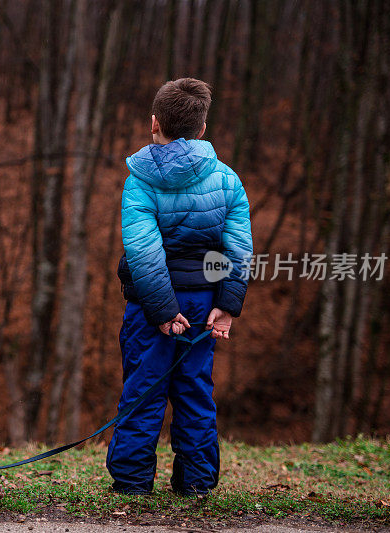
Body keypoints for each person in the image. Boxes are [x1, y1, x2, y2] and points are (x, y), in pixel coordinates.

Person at [106, 78, 253, 496]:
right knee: (195, 392)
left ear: (155, 123)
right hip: (204, 303)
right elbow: (239, 248)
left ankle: (133, 484)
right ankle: (197, 484)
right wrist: (227, 304)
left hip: (151, 310)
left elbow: (144, 253)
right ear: (202, 129)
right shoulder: (227, 180)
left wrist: (163, 310)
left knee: (143, 389)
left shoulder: (139, 181)